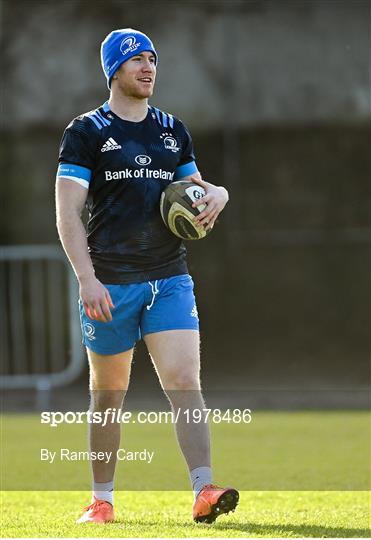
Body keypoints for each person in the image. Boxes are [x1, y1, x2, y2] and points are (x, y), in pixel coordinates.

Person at [56, 28, 238, 524]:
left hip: (169, 276)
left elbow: (194, 191)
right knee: (107, 395)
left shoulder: (171, 130)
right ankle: (102, 499)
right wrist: (86, 278)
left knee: (185, 381)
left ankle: (203, 490)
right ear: (113, 69)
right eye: (137, 59)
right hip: (110, 283)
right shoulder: (86, 131)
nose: (148, 67)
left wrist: (218, 193)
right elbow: (68, 213)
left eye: (153, 59)